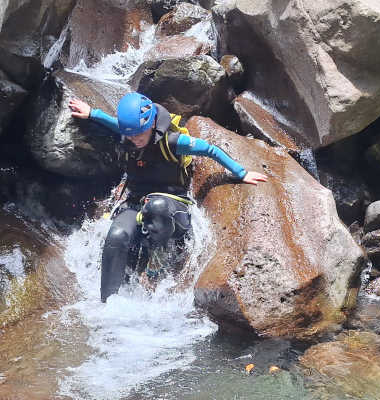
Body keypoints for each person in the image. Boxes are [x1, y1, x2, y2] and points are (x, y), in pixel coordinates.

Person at [69, 92, 267, 302]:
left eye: (140, 135)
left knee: (158, 207)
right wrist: (91, 113)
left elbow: (211, 150)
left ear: (153, 123)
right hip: (136, 204)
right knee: (117, 235)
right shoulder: (129, 133)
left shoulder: (173, 142)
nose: (135, 140)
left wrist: (242, 173)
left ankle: (155, 268)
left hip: (172, 208)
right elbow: (114, 124)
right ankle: (107, 304)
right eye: (131, 136)